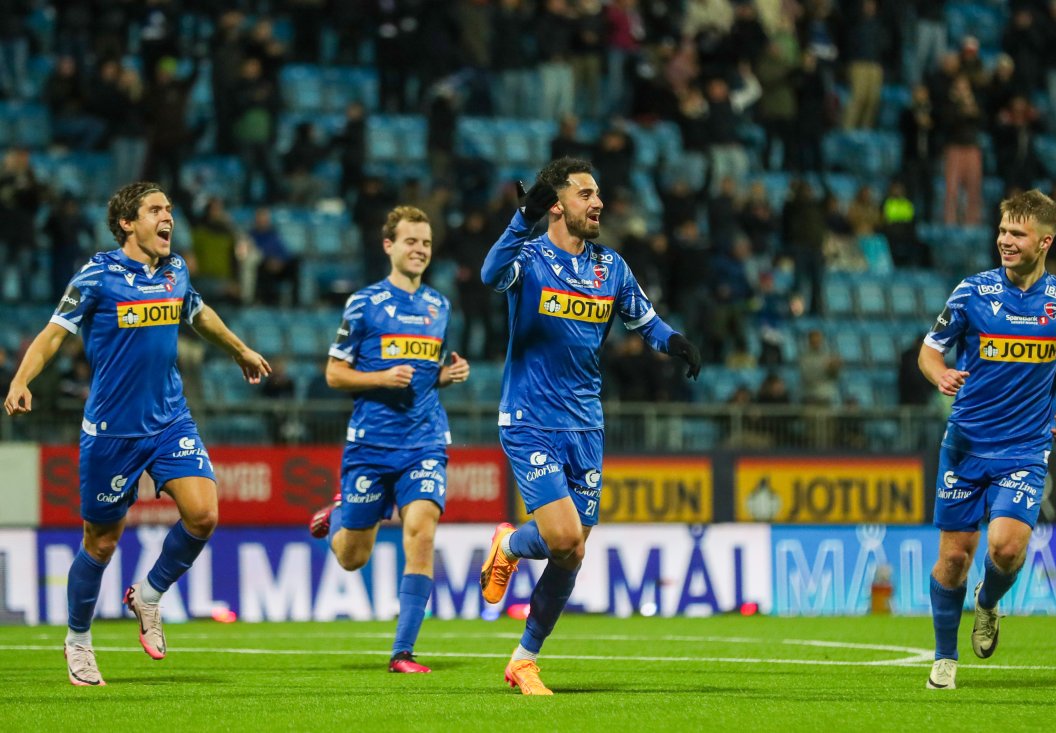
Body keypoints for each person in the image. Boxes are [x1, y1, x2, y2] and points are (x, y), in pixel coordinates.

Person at [3, 182, 272, 686]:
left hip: (170, 421)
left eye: (169, 209)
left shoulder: (175, 270)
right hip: (112, 432)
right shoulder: (97, 276)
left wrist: (238, 349)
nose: (168, 217)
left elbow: (198, 313)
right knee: (101, 542)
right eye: (156, 210)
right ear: (128, 223)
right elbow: (53, 333)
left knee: (205, 513)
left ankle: (147, 595)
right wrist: (21, 379)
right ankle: (78, 641)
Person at [478, 157, 701, 695]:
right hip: (531, 419)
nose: (597, 202)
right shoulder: (529, 258)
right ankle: (509, 547)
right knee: (562, 535)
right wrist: (520, 221)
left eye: (597, 193)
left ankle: (524, 660)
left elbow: (644, 321)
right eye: (584, 193)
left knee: (573, 552)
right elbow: (489, 275)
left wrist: (674, 343)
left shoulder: (611, 267)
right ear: (557, 204)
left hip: (587, 426)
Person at [919, 189, 1056, 690]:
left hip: (1025, 447)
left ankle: (989, 602)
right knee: (953, 557)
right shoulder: (971, 294)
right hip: (966, 444)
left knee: (1007, 549)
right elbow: (930, 351)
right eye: (1001, 231)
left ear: (1045, 240)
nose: (1005, 241)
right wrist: (940, 376)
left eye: (1016, 233)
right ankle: (945, 658)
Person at [307, 205, 470, 674]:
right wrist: (379, 378)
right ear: (389, 246)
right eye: (410, 241)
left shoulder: (439, 306)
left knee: (421, 531)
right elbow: (335, 375)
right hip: (371, 445)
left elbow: (419, 378)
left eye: (425, 243)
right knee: (352, 557)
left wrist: (444, 375)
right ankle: (338, 513)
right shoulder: (364, 304)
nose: (419, 250)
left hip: (424, 440)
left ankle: (403, 652)